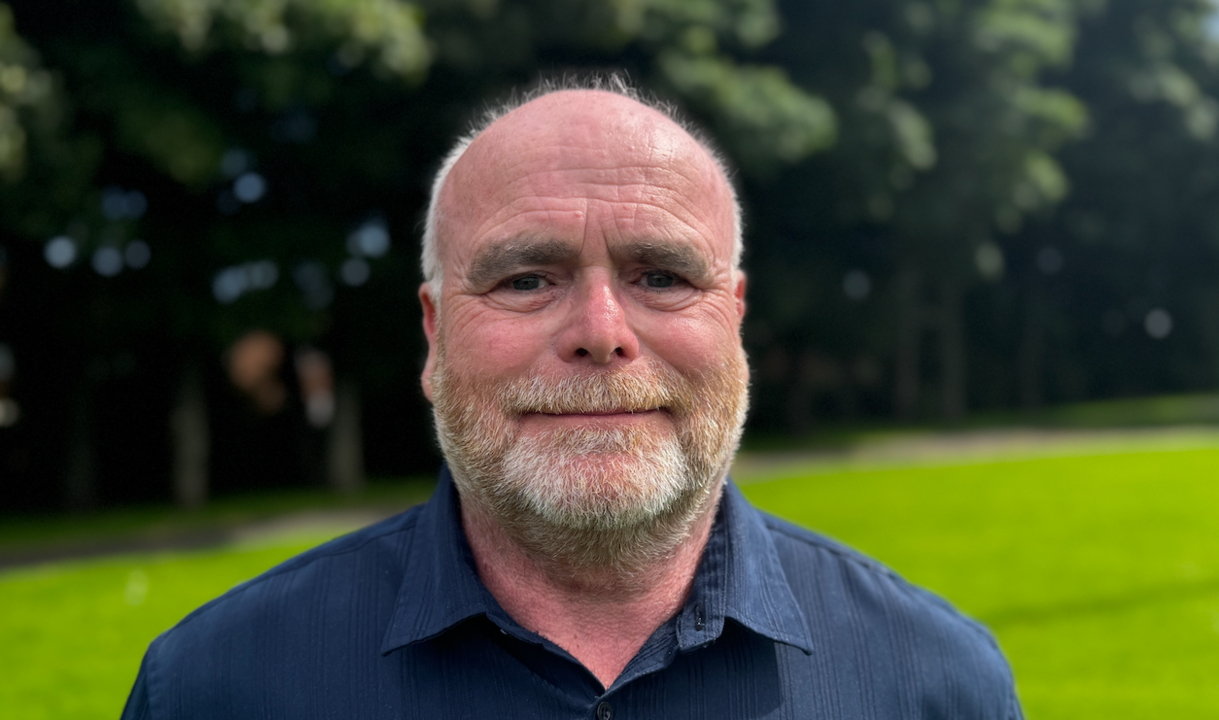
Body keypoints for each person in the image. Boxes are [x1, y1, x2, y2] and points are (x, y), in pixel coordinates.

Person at [120, 79, 1022, 719]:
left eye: (662, 276)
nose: (601, 328)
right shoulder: (214, 688)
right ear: (434, 336)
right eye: (524, 279)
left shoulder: (936, 686)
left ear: (734, 322)